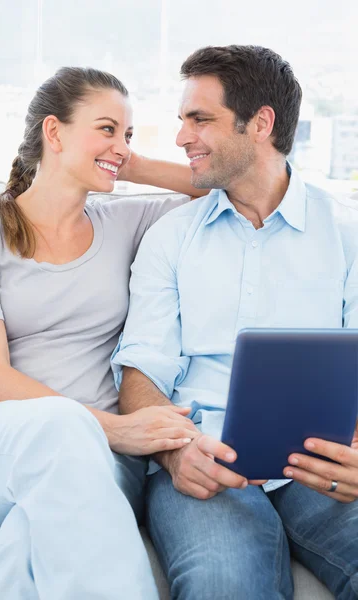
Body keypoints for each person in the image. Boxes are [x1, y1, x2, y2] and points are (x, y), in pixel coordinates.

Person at [112, 45, 358, 599]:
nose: (181, 137)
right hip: (204, 457)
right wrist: (177, 453)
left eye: (200, 119)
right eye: (182, 120)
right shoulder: (170, 239)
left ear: (261, 123)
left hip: (325, 463)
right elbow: (140, 375)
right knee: (223, 583)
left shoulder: (347, 232)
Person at [0, 66, 207, 600]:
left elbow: (215, 184)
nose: (120, 144)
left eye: (129, 134)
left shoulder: (127, 221)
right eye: (106, 128)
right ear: (54, 132)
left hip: (101, 463)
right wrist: (116, 430)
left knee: (33, 534)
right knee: (59, 428)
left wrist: (124, 161)